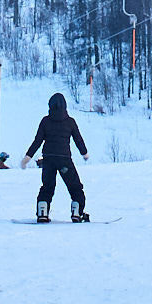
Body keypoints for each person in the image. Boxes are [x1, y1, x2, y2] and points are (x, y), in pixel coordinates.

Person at [20, 91, 90, 222]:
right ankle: (77, 211)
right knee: (74, 186)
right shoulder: (70, 122)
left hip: (48, 160)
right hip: (64, 160)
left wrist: (27, 157)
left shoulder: (45, 121)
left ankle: (42, 211)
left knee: (47, 186)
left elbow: (37, 141)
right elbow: (78, 140)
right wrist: (84, 153)